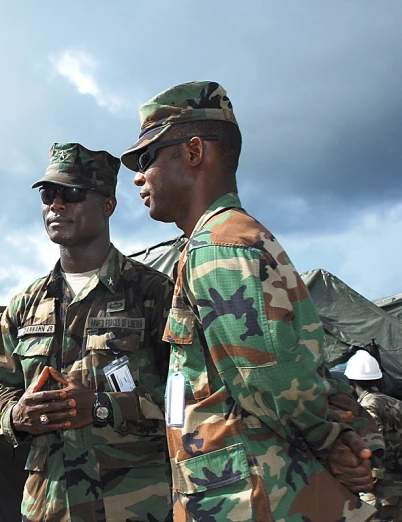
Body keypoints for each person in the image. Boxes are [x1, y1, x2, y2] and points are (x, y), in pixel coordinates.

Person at [121, 81, 376, 521]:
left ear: (194, 152)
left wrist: (330, 442)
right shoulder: (225, 239)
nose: (139, 176)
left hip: (253, 498)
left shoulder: (218, 246)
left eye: (147, 158)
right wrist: (334, 436)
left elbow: (270, 375)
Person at [0, 143, 174, 522]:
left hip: (138, 506)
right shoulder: (23, 306)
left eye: (71, 193)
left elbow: (190, 397)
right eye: (47, 194)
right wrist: (16, 416)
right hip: (49, 507)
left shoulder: (153, 293)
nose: (56, 205)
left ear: (107, 205)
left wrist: (105, 407)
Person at [345, 350, 402, 521]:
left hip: (385, 490)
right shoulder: (396, 403)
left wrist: (368, 490)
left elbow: (372, 449)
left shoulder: (368, 407)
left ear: (350, 382)